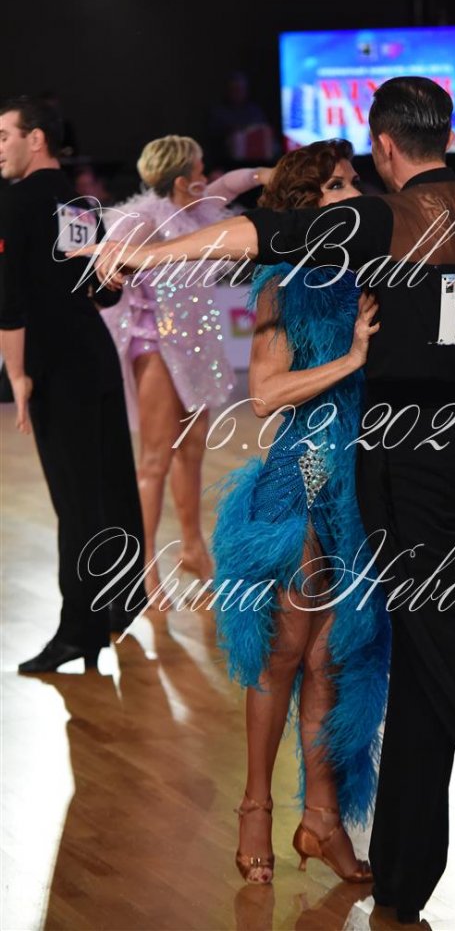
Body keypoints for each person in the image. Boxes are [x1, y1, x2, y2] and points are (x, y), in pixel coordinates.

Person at [72, 76, 455, 930]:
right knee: (427, 665)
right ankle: (404, 872)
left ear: (384, 145)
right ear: (445, 133)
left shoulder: (383, 220)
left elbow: (251, 231)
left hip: (401, 458)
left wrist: (146, 256)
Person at [211, 140, 390, 884]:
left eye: (354, 180)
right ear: (305, 204)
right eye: (336, 185)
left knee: (331, 659)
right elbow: (264, 394)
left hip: (362, 482)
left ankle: (322, 820)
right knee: (284, 652)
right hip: (307, 478)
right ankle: (255, 806)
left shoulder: (374, 270)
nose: (353, 191)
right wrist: (350, 360)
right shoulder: (283, 283)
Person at [0, 95, 146, 672]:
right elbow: (104, 291)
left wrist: (17, 376)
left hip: (56, 367)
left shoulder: (17, 202)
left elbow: (8, 301)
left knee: (77, 502)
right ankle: (123, 601)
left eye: (4, 136)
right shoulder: (78, 200)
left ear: (36, 139)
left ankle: (79, 632)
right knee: (112, 487)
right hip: (95, 357)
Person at [101, 137, 273, 594]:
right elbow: (113, 246)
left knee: (192, 450)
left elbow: (233, 183)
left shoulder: (198, 211)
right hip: (154, 344)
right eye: (200, 169)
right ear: (182, 180)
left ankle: (193, 547)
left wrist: (268, 175)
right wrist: (110, 260)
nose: (207, 175)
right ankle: (143, 564)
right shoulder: (144, 218)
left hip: (197, 345)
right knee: (155, 459)